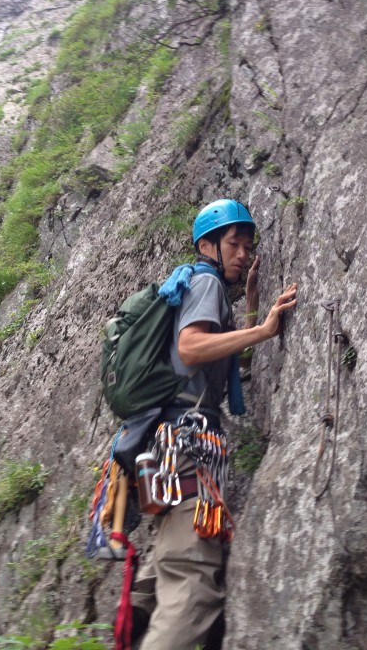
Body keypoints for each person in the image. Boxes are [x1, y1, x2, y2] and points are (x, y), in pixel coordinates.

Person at [130, 198, 298, 650]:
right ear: (208, 245)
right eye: (233, 243)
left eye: (248, 245)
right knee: (193, 581)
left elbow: (227, 357)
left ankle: (134, 623)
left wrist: (255, 303)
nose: (243, 253)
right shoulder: (204, 281)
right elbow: (191, 348)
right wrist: (264, 329)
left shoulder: (206, 287)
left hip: (173, 444)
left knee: (163, 570)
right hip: (189, 444)